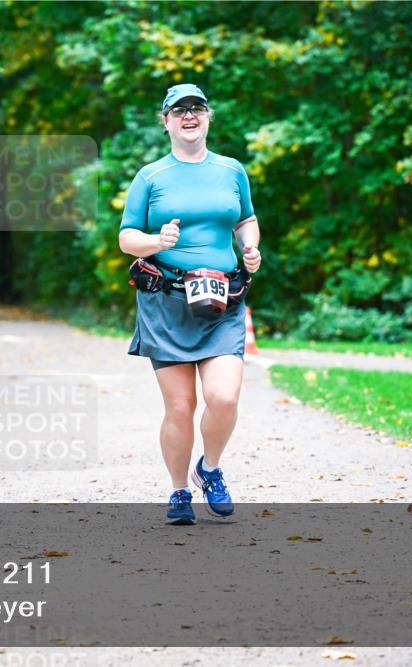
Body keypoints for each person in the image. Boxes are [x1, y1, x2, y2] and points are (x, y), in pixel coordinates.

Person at [118, 84, 262, 525]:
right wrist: (155, 241)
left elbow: (246, 220)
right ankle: (179, 491)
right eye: (179, 110)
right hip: (166, 301)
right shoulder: (150, 177)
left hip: (222, 302)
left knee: (224, 396)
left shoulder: (231, 170)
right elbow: (126, 238)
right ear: (165, 121)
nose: (188, 116)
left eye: (196, 108)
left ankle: (210, 468)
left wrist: (251, 248)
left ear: (208, 117)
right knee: (180, 406)